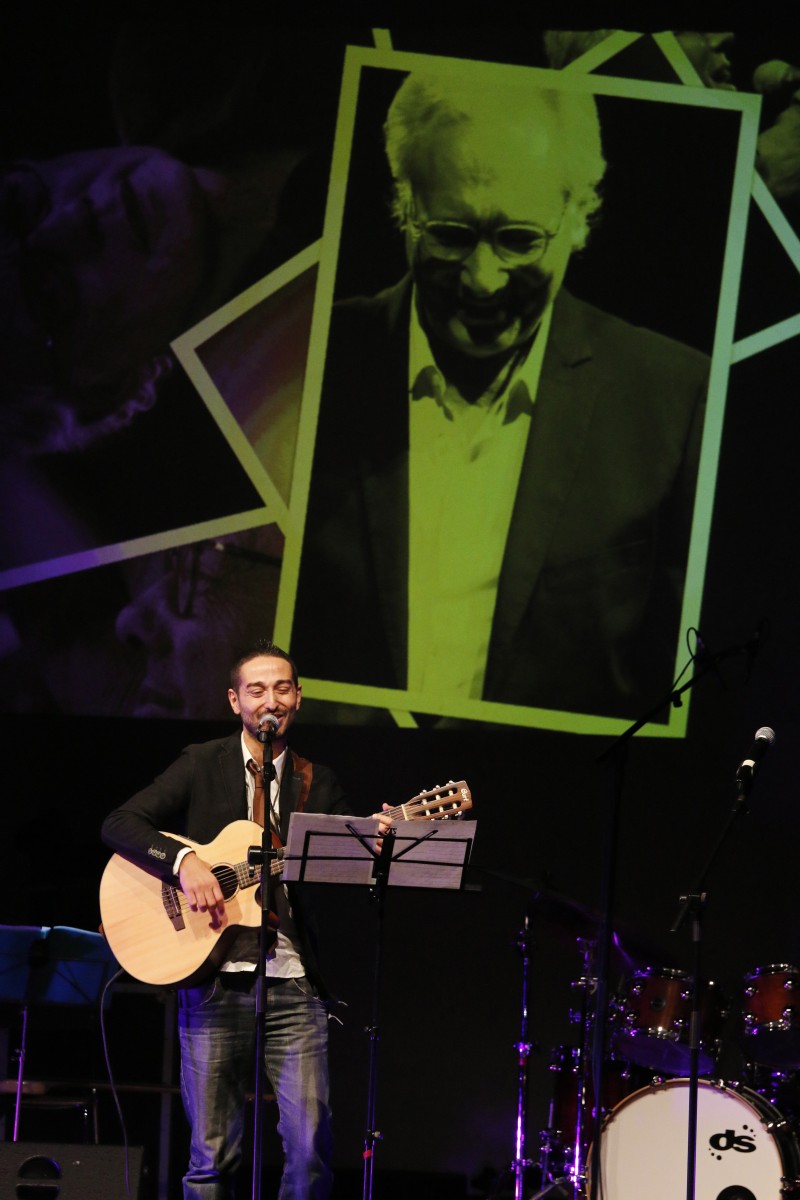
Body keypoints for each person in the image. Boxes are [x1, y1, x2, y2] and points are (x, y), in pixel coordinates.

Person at [291, 72, 709, 722]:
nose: (483, 281)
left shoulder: (675, 397)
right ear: (405, 210)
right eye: (451, 234)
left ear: (578, 221)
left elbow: (676, 684)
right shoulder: (306, 362)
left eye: (519, 240)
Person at [101, 639, 352, 1198]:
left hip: (293, 984)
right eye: (256, 690)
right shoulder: (202, 762)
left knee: (310, 1151)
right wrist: (184, 862)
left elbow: (342, 867)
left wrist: (372, 843)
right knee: (212, 1155)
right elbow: (120, 823)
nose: (270, 700)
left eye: (282, 688)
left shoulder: (318, 781)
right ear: (235, 701)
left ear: (298, 698)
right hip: (213, 982)